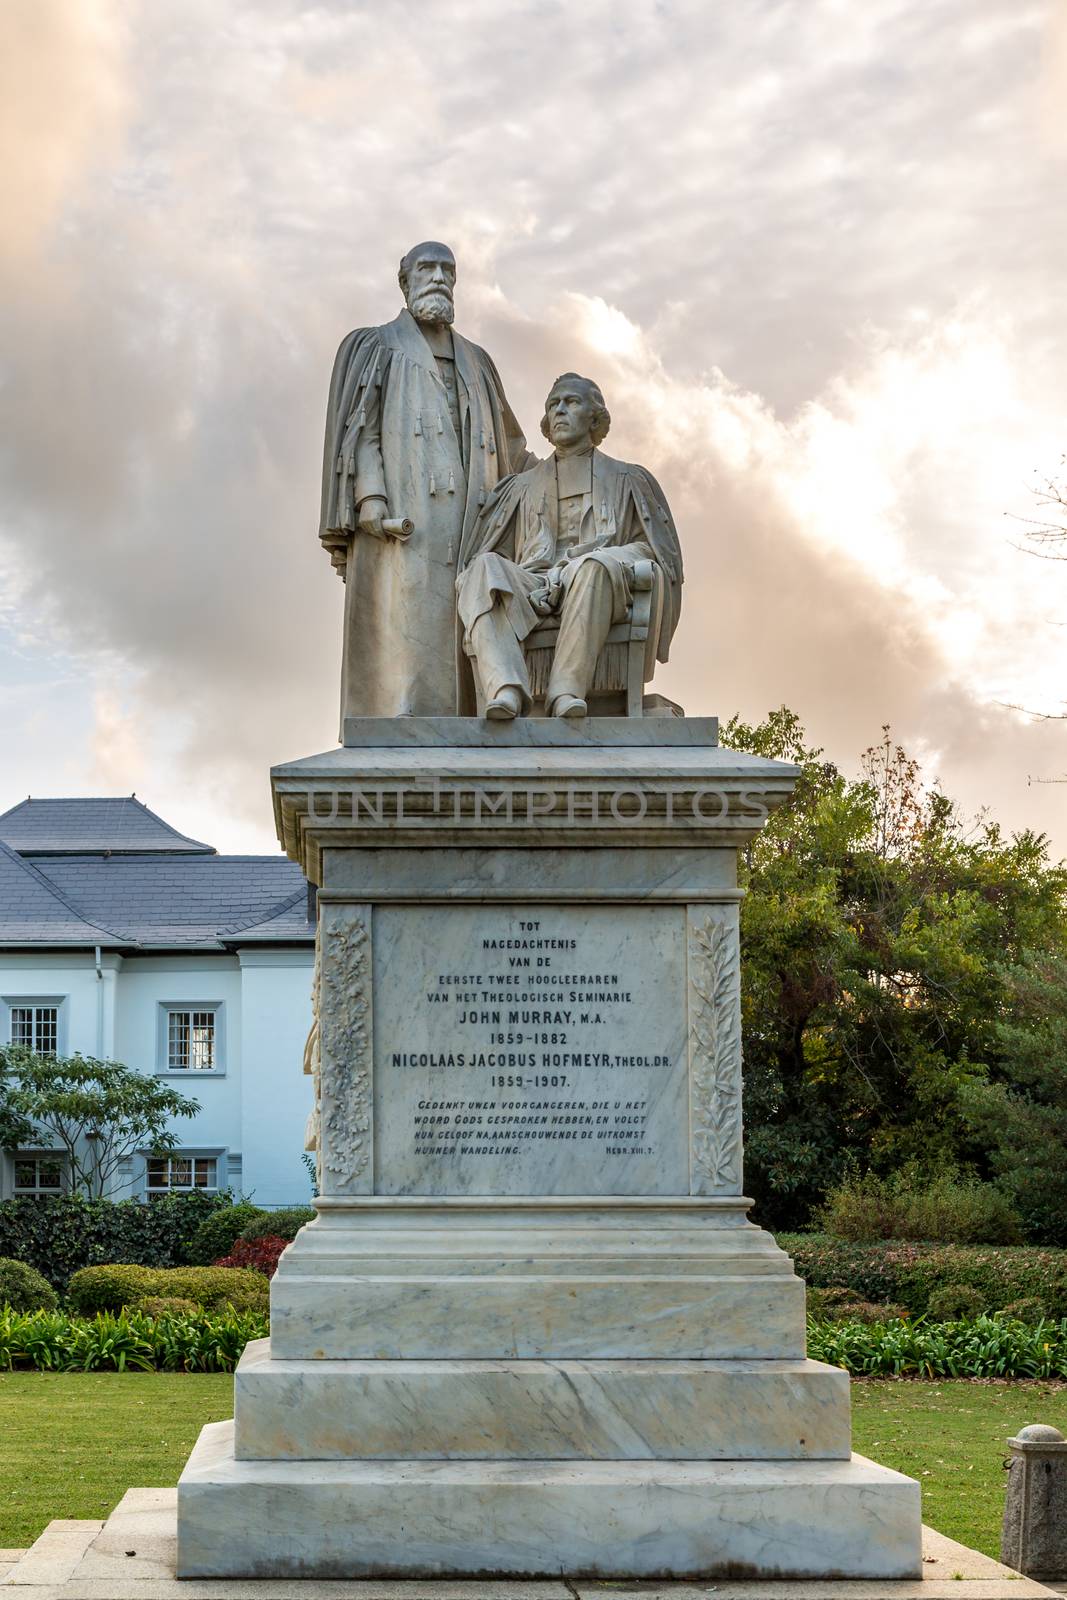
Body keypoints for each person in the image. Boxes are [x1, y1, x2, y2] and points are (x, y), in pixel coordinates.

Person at [319, 242, 535, 726]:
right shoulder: (375, 346)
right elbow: (361, 430)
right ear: (405, 281)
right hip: (408, 518)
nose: (439, 276)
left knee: (467, 617)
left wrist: (559, 473)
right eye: (427, 267)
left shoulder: (478, 361)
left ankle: (472, 722)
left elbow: (511, 442)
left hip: (475, 521)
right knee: (409, 627)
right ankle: (407, 725)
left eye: (447, 269)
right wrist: (370, 497)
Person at [456, 374, 683, 718]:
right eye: (553, 404)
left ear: (595, 418)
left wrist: (591, 559)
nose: (559, 410)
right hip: (535, 583)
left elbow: (653, 552)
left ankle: (565, 693)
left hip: (600, 584)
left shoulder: (629, 480)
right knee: (482, 568)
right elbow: (495, 553)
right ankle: (506, 689)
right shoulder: (519, 488)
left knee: (593, 569)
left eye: (571, 402)